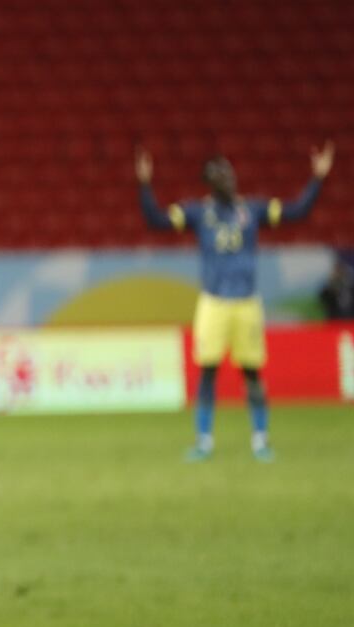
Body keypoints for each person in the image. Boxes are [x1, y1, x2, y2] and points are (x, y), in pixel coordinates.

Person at [135, 142, 334, 462]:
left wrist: (318, 177)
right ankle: (203, 441)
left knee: (252, 372)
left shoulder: (253, 209)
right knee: (208, 372)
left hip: (246, 304)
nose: (228, 179)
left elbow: (298, 212)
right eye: (220, 175)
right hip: (213, 303)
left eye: (229, 172)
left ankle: (260, 440)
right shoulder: (198, 213)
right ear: (210, 183)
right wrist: (143, 184)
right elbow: (156, 221)